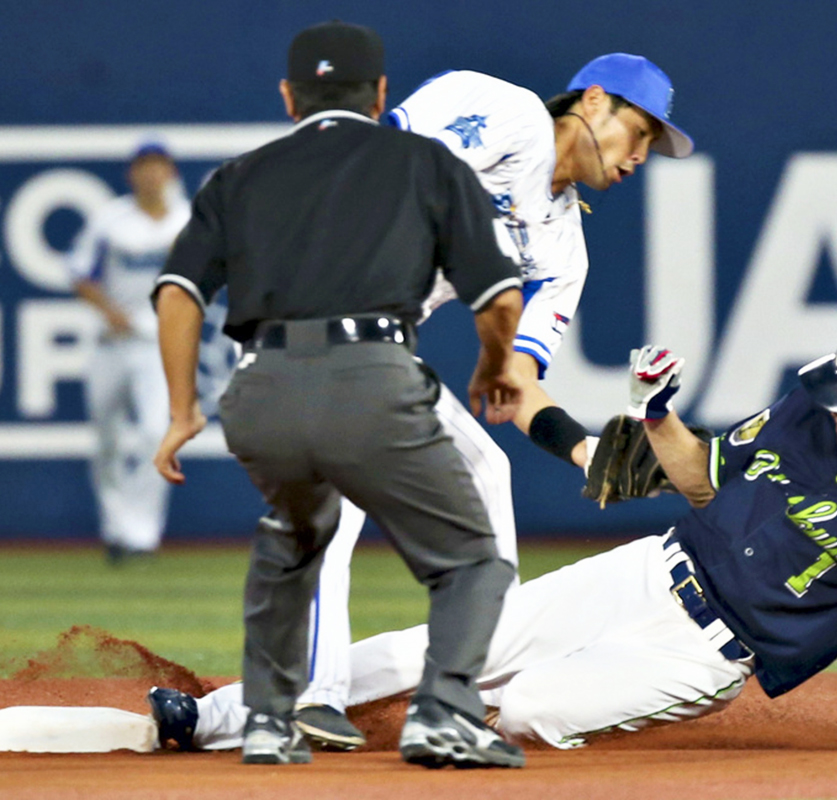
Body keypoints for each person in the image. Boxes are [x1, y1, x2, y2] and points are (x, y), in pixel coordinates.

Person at [152, 316, 837, 753]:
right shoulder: (808, 404)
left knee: (518, 710)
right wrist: (660, 413)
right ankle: (222, 717)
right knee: (436, 645)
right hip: (647, 570)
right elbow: (707, 482)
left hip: (708, 650)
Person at [250, 52, 695, 751]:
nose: (641, 156)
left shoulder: (562, 250)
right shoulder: (505, 111)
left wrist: (582, 451)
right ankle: (307, 693)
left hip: (383, 346)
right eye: (640, 132)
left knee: (486, 471)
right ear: (595, 100)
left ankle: (476, 684)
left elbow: (518, 383)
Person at [151, 20, 528, 769]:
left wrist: (180, 411)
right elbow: (501, 296)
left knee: (290, 543)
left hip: (261, 389)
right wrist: (494, 363)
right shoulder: (425, 162)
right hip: (370, 377)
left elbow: (178, 293)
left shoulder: (239, 174)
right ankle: (447, 713)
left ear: (290, 97)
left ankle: (266, 720)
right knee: (472, 562)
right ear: (381, 93)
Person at [66, 142, 191, 564]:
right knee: (107, 441)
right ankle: (116, 528)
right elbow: (79, 273)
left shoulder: (187, 221)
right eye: (143, 167)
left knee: (158, 433)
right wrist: (111, 312)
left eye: (158, 166)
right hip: (111, 342)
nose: (151, 175)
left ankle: (140, 534)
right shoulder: (111, 219)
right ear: (131, 173)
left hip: (159, 346)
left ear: (170, 172)